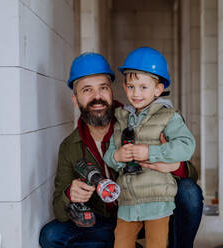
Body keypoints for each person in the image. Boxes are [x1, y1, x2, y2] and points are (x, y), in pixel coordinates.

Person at [39, 52, 203, 248]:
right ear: (75, 99)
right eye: (87, 90)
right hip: (107, 221)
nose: (97, 97)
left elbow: (191, 174)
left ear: (113, 91)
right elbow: (58, 208)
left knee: (189, 192)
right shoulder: (69, 147)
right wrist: (70, 193)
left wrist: (170, 165)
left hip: (150, 207)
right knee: (50, 236)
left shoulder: (136, 121)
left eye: (103, 88)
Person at [104, 47, 196, 248]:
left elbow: (187, 146)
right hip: (127, 202)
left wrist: (151, 152)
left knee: (156, 245)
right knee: (120, 244)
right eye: (130, 86)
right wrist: (117, 156)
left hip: (157, 201)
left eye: (143, 87)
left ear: (158, 89)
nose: (136, 93)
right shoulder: (121, 118)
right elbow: (109, 154)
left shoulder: (169, 116)